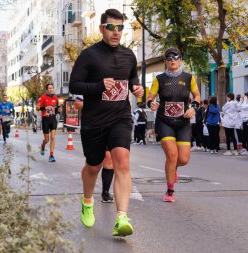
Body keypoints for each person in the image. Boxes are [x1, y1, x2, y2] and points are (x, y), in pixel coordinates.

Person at [69, 8, 144, 237]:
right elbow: (74, 86)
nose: (116, 32)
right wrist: (100, 86)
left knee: (122, 161)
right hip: (94, 120)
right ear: (102, 28)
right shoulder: (88, 55)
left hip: (120, 117)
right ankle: (88, 201)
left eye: (120, 28)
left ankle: (121, 217)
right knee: (94, 165)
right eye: (111, 27)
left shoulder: (129, 55)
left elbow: (133, 79)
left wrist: (137, 88)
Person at [147, 47, 200, 202]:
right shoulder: (159, 79)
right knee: (171, 155)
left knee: (182, 159)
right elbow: (150, 97)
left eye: (175, 57)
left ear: (180, 60)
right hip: (164, 121)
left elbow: (196, 96)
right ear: (165, 62)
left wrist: (194, 108)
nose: (172, 60)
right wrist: (151, 103)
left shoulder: (189, 78)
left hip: (183, 122)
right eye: (169, 58)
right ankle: (170, 191)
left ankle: (174, 167)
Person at [74, 95, 114, 202]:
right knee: (93, 166)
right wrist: (97, 106)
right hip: (93, 127)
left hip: (112, 125)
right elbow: (77, 104)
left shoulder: (116, 80)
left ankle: (105, 192)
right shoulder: (88, 80)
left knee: (109, 158)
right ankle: (87, 193)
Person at [36, 84, 60, 162]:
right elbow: (37, 108)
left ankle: (51, 155)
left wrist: (58, 110)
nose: (51, 89)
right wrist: (45, 108)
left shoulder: (56, 98)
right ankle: (43, 146)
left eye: (52, 88)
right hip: (45, 120)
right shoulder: (42, 97)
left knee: (53, 137)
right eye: (49, 88)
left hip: (53, 119)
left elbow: (56, 110)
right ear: (46, 90)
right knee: (47, 140)